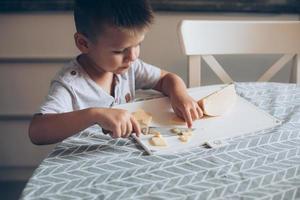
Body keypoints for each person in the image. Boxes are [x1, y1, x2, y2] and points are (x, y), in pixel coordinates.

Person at [28, 0, 203, 145]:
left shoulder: (129, 67)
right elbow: (37, 131)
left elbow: (166, 78)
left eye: (138, 45)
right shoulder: (70, 85)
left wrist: (179, 94)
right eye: (120, 51)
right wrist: (94, 114)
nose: (133, 56)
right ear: (84, 43)